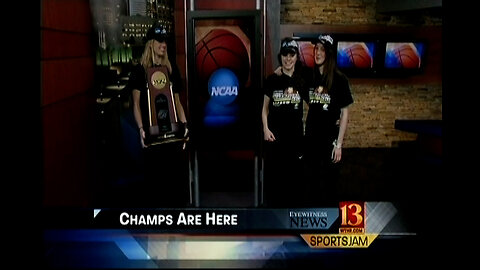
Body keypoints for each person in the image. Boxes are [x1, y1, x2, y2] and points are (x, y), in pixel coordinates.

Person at [127, 22, 190, 207]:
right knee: (155, 187)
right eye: (160, 40)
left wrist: (185, 126)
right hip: (152, 137)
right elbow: (136, 105)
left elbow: (177, 103)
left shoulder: (172, 70)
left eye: (166, 41)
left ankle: (178, 228)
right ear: (150, 44)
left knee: (175, 187)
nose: (164, 44)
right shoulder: (139, 71)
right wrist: (140, 129)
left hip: (171, 137)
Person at [303, 34, 354, 206]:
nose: (317, 53)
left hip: (329, 138)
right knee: (311, 179)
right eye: (316, 49)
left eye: (322, 49)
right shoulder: (309, 76)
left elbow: (345, 113)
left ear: (329, 53)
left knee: (330, 181)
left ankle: (331, 221)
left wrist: (339, 144)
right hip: (311, 137)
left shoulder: (340, 80)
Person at [261, 38, 310, 207]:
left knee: (294, 181)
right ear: (280, 57)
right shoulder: (272, 79)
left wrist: (336, 115)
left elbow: (315, 104)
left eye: (291, 55)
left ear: (296, 57)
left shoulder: (302, 80)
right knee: (275, 181)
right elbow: (264, 109)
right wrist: (265, 129)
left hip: (295, 139)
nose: (288, 59)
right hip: (275, 139)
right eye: (285, 55)